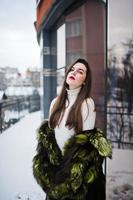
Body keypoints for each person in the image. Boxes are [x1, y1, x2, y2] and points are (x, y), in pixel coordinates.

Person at [33, 58, 112, 200]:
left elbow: (84, 148)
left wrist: (68, 181)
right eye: (72, 69)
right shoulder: (54, 103)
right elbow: (50, 141)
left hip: (78, 179)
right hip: (58, 175)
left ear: (85, 81)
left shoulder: (87, 103)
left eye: (80, 71)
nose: (74, 72)